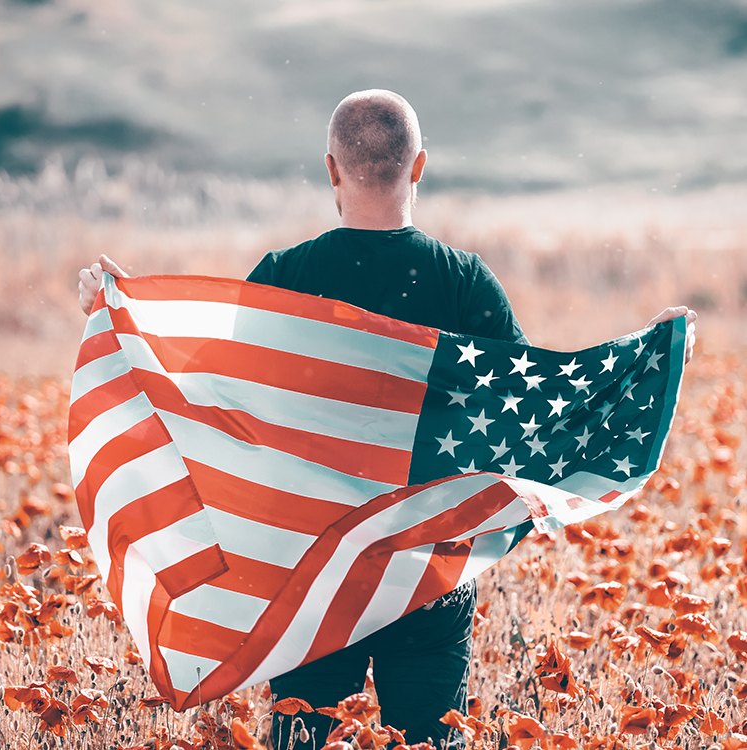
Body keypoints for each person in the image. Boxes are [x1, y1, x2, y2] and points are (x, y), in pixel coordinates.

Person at [78, 89, 697, 749]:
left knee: (307, 743)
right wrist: (643, 358)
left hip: (309, 583)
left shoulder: (283, 280)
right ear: (419, 166)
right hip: (429, 578)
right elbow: (531, 422)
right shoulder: (463, 282)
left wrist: (126, 318)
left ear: (331, 169)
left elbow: (202, 396)